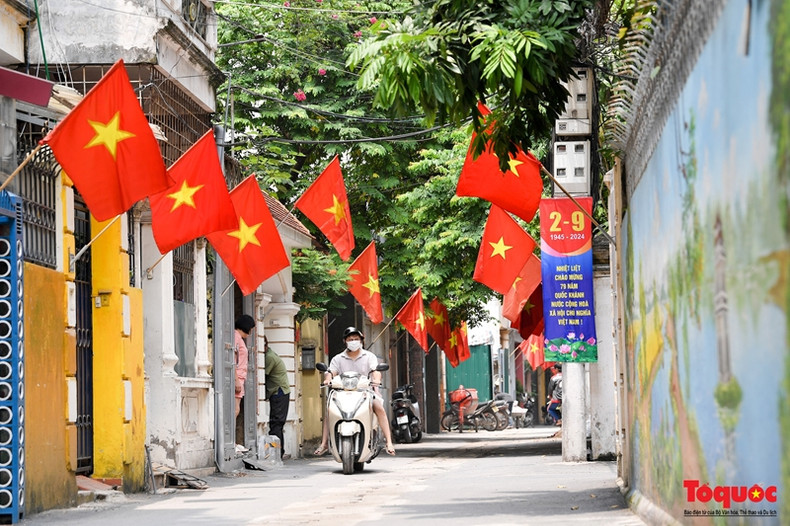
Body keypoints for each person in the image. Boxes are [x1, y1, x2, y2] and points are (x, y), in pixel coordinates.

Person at [314, 327, 396, 456]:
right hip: (342, 393)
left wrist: (376, 380)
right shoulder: (338, 358)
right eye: (350, 339)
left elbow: (376, 371)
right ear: (345, 341)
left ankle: (389, 442)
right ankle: (324, 443)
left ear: (361, 341)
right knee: (329, 411)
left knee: (379, 408)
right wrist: (327, 380)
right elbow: (330, 372)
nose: (353, 341)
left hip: (365, 392)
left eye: (356, 339)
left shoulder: (369, 356)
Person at [264, 335, 290, 459]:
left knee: (276, 424)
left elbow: (263, 375)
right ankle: (279, 451)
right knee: (277, 424)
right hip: (279, 392)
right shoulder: (269, 354)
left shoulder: (269, 357)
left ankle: (277, 452)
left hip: (279, 392)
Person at [234, 315, 255, 418]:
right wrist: (236, 380)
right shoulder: (236, 337)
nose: (251, 332)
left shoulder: (239, 338)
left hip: (240, 376)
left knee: (236, 408)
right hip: (237, 376)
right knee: (235, 409)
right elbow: (233, 359)